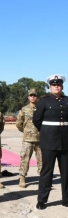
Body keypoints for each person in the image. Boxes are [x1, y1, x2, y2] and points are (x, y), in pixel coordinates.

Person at [33, 74, 68, 210]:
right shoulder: (44, 101)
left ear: (62, 86)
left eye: (58, 84)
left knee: (66, 172)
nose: (56, 86)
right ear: (50, 87)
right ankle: (42, 200)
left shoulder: (67, 100)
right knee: (47, 172)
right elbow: (36, 120)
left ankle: (66, 199)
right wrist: (47, 132)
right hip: (48, 142)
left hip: (65, 142)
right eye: (54, 85)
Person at [16, 88, 42, 188]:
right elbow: (19, 124)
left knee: (42, 160)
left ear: (37, 97)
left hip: (40, 138)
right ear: (28, 97)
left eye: (34, 95)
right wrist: (26, 131)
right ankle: (22, 178)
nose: (32, 97)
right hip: (28, 139)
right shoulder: (24, 109)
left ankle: (42, 178)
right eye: (31, 95)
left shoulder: (41, 108)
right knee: (25, 159)